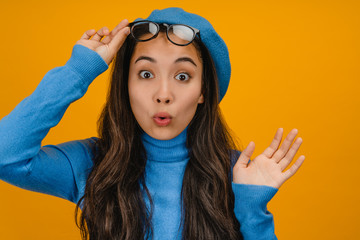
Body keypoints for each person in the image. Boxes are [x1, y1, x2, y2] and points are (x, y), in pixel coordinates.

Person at [0, 7, 305, 240]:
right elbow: (5, 155)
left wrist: (252, 210)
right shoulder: (92, 165)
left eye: (182, 76)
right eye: (146, 74)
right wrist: (78, 71)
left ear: (203, 92)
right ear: (126, 85)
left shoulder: (239, 175)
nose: (163, 95)